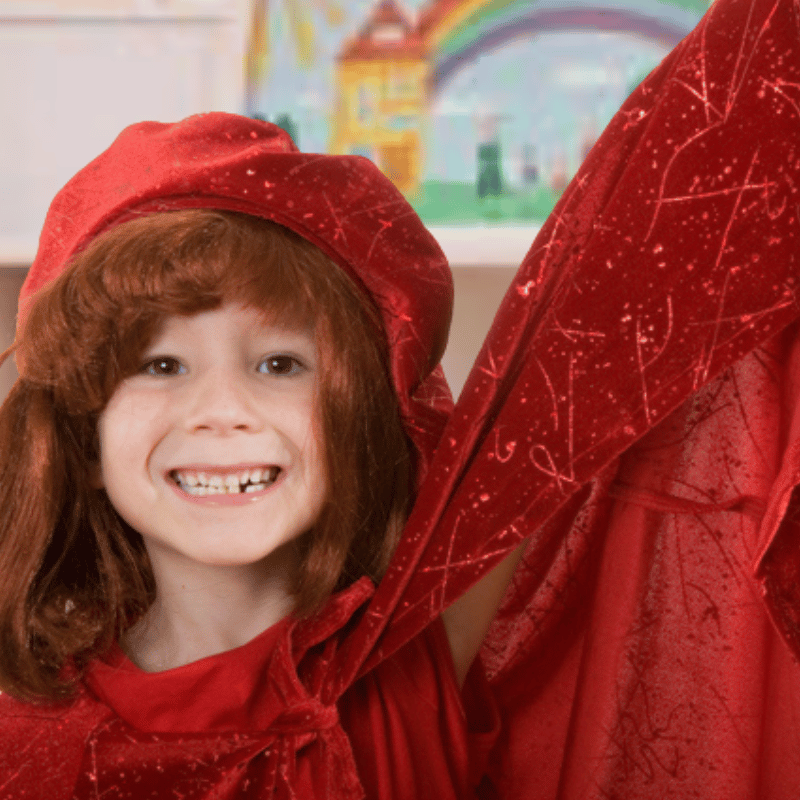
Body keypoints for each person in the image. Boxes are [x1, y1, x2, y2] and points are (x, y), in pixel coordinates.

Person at [2, 0, 800, 795]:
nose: (222, 410)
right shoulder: (17, 739)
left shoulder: (418, 649)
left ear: (364, 418)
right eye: (161, 366)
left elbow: (621, 284)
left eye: (280, 365)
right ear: (82, 440)